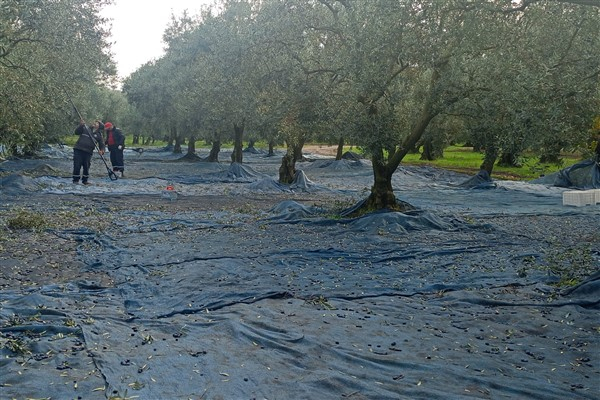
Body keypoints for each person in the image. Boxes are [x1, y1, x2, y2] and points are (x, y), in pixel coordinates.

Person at [73, 119, 105, 185]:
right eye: (95, 122)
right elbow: (76, 132)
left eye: (97, 123)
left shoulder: (99, 135)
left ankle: (85, 180)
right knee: (77, 165)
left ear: (99, 126)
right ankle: (75, 180)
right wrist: (81, 125)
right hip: (78, 149)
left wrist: (102, 150)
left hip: (88, 152)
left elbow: (102, 144)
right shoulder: (85, 128)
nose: (95, 123)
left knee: (86, 166)